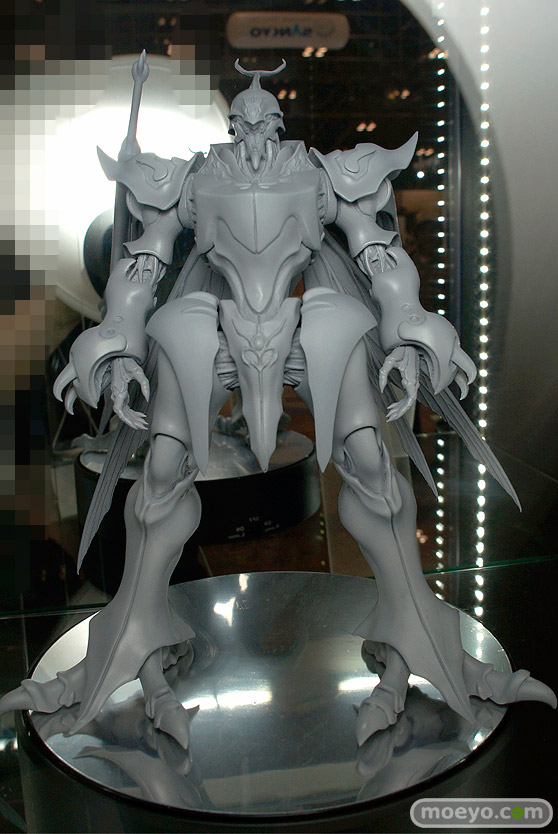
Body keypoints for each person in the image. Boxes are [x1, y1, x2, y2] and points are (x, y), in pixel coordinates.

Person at [1, 57, 554, 749]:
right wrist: (116, 336)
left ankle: (417, 645)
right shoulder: (194, 178)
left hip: (303, 329)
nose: (257, 136)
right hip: (212, 331)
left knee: (374, 475)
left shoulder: (322, 176)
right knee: (159, 484)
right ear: (233, 126)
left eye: (267, 122)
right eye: (245, 123)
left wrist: (409, 322)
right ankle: (131, 651)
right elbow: (143, 261)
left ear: (281, 123)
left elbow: (377, 251)